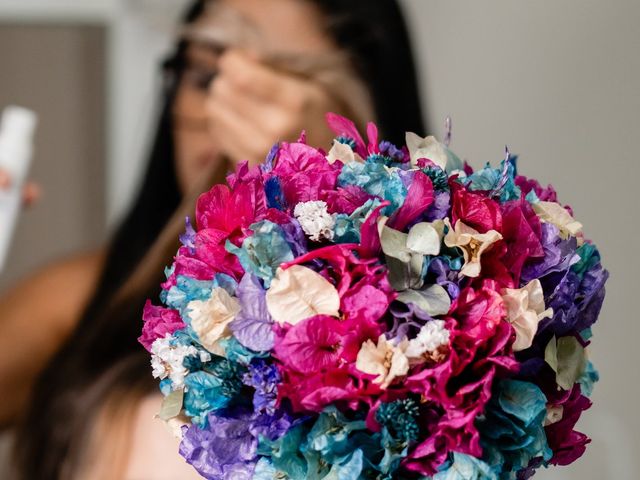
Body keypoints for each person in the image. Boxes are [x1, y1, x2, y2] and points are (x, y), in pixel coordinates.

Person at [1, 0, 426, 478]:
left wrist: (319, 197)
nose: (223, 108)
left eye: (275, 83)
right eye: (204, 75)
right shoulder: (80, 301)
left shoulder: (426, 327)